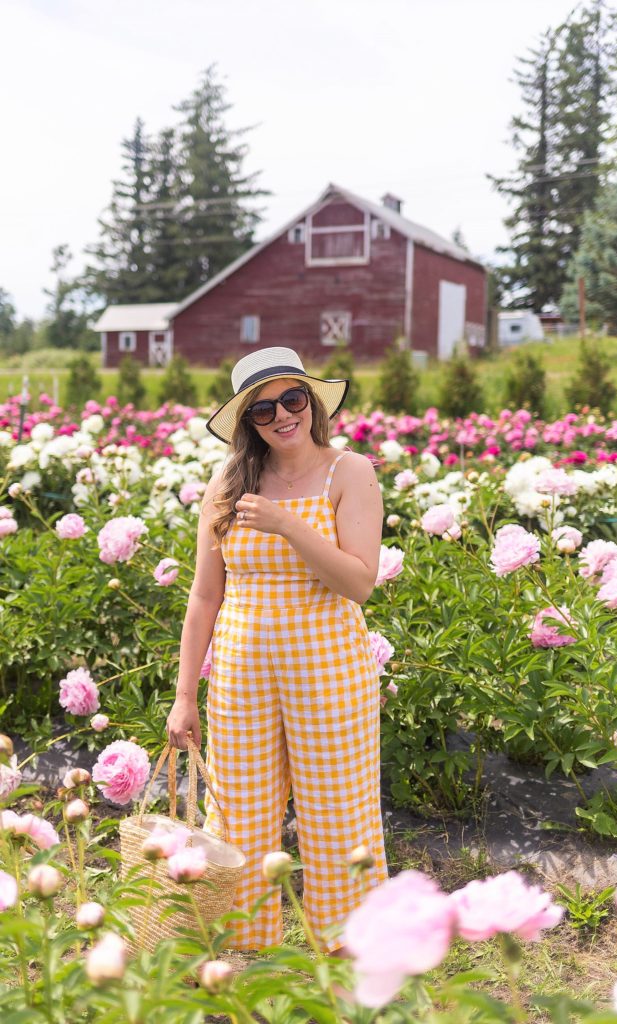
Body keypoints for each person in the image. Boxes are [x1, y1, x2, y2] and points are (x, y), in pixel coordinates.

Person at [166, 346, 389, 953]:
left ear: (311, 402)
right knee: (238, 815)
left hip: (329, 670)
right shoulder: (229, 481)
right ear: (247, 422)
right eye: (262, 410)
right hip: (241, 674)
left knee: (339, 815)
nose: (281, 416)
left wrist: (289, 524)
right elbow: (204, 596)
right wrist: (185, 698)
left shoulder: (350, 472)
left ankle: (347, 964)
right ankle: (241, 958)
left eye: (292, 399)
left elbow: (358, 582)